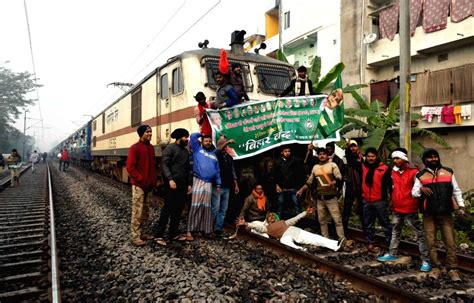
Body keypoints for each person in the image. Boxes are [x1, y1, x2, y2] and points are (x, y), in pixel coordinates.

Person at [412, 148, 466, 281]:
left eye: (435, 157)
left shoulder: (448, 172)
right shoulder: (420, 175)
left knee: (450, 241)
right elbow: (414, 193)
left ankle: (452, 268)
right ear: (425, 160)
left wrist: (461, 205)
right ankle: (436, 267)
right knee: (431, 242)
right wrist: (421, 188)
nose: (433, 159)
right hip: (428, 214)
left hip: (446, 212)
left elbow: (456, 190)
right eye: (429, 157)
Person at [377, 148, 431, 272]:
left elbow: (419, 186)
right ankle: (392, 253)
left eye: (397, 158)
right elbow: (394, 187)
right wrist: (392, 201)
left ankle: (426, 260)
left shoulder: (414, 172)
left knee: (418, 234)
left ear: (404, 159)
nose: (395, 161)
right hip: (397, 207)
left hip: (410, 208)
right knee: (396, 231)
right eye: (394, 158)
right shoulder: (394, 172)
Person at [236, 208, 344, 252]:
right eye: (269, 217)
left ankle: (336, 245)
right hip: (284, 236)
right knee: (284, 241)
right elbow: (257, 227)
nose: (272, 217)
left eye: (273, 216)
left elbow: (295, 219)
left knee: (314, 238)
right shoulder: (266, 228)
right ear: (267, 220)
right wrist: (246, 224)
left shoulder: (283, 222)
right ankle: (301, 250)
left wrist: (305, 213)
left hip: (293, 230)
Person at [180, 133, 221, 241]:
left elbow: (217, 171)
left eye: (209, 141)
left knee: (206, 207)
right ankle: (190, 231)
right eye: (206, 141)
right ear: (202, 142)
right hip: (198, 181)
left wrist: (218, 184)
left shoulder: (214, 155)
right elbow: (193, 136)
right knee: (196, 206)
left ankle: (206, 230)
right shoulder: (198, 149)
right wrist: (202, 134)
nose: (208, 143)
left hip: (208, 183)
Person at [297, 148, 345, 241]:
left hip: (331, 197)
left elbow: (339, 177)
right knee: (322, 220)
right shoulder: (315, 167)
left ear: (327, 155)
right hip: (320, 198)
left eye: (323, 154)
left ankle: (341, 238)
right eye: (320, 154)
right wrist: (301, 190)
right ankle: (325, 239)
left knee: (337, 219)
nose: (322, 156)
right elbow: (310, 181)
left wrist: (334, 182)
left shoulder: (332, 165)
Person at [154, 128, 191, 246]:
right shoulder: (170, 148)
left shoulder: (185, 151)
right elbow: (164, 165)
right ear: (179, 137)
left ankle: (173, 233)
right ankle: (158, 235)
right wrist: (170, 179)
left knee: (178, 209)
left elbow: (188, 169)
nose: (187, 139)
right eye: (185, 137)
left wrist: (189, 184)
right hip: (172, 183)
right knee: (168, 208)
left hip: (182, 184)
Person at [126, 125, 158, 247]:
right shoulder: (134, 148)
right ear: (141, 134)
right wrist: (141, 178)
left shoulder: (151, 148)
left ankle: (142, 233)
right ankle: (135, 236)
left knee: (145, 211)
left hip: (148, 186)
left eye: (151, 132)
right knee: (137, 211)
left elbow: (152, 166)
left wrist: (153, 181)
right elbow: (130, 167)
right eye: (147, 132)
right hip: (139, 185)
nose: (150, 134)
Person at [361, 147, 392, 253]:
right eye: (368, 156)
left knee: (385, 223)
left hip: (380, 201)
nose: (370, 158)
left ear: (376, 156)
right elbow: (351, 160)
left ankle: (390, 245)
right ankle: (371, 242)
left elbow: (389, 185)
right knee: (368, 223)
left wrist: (391, 199)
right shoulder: (363, 166)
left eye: (373, 156)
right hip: (366, 200)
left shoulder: (384, 168)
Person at [211, 137, 239, 237]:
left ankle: (218, 228)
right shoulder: (215, 155)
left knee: (223, 209)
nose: (225, 147)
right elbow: (217, 151)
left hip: (227, 186)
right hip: (216, 186)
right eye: (224, 145)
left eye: (226, 146)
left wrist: (236, 185)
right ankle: (210, 227)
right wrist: (226, 141)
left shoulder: (229, 157)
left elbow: (233, 172)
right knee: (215, 208)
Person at [275, 146, 305, 218]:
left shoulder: (294, 160)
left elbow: (304, 161)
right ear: (282, 152)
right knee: (280, 205)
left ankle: (300, 222)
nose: (287, 153)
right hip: (282, 188)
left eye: (289, 151)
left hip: (293, 188)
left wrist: (309, 152)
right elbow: (274, 175)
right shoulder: (277, 162)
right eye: (285, 151)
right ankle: (278, 222)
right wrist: (276, 185)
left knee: (296, 205)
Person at [342, 140, 364, 237]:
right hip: (350, 186)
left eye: (354, 146)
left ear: (357, 147)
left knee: (362, 210)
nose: (353, 148)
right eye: (351, 147)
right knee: (346, 210)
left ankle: (365, 232)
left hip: (360, 187)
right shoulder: (346, 158)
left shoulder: (362, 158)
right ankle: (344, 232)